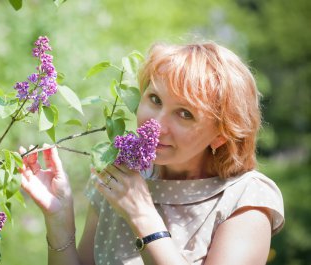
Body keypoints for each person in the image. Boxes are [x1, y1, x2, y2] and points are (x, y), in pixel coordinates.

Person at [19, 41, 284, 265]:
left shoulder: (246, 198)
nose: (156, 124)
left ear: (221, 134)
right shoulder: (119, 176)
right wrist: (59, 218)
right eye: (155, 99)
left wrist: (142, 217)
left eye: (185, 114)